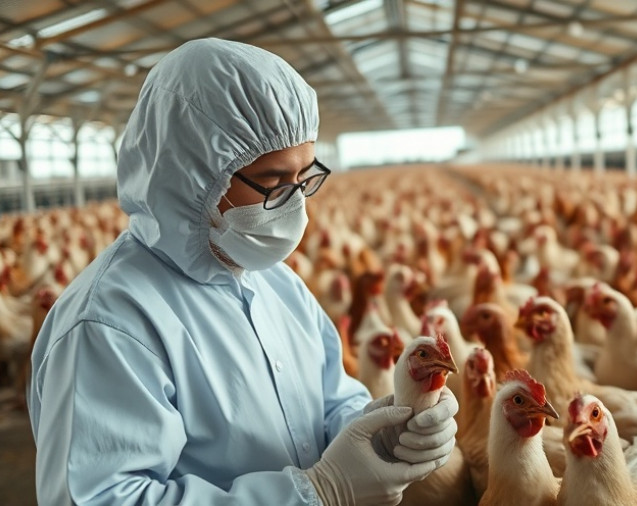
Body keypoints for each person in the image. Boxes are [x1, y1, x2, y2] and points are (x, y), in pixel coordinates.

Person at [27, 38, 457, 505]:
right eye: (273, 183)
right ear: (193, 175)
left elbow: (329, 401)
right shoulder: (111, 323)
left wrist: (380, 430)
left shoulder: (275, 281)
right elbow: (100, 498)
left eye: (304, 179)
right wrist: (313, 493)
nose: (294, 204)